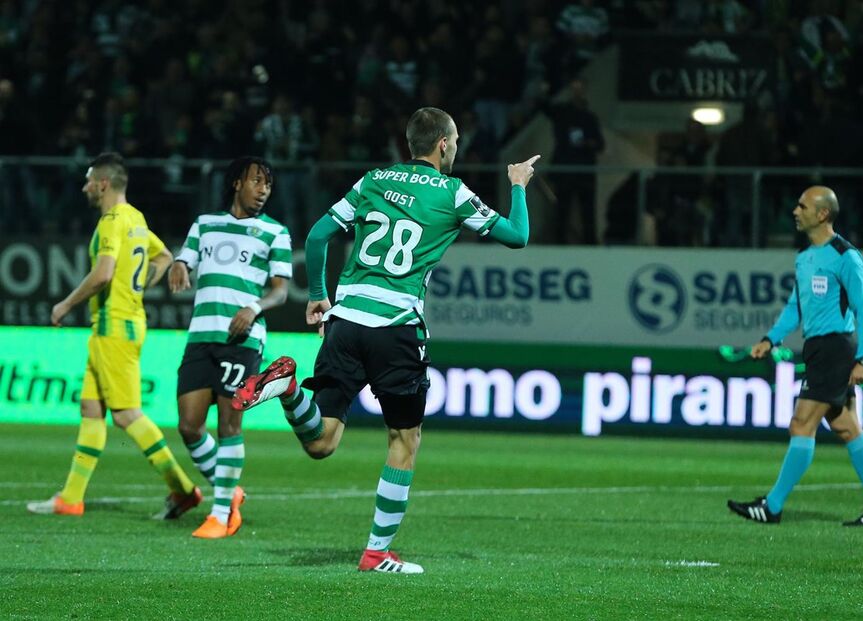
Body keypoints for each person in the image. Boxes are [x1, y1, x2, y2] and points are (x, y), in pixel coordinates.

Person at [232, 107, 539, 573]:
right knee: (404, 439)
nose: (456, 148)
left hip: (345, 320)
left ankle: (290, 390)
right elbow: (517, 236)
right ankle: (376, 552)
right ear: (443, 144)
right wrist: (517, 184)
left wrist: (316, 295)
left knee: (322, 442)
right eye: (455, 142)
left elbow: (317, 236)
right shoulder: (453, 192)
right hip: (396, 326)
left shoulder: (373, 180)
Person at [27, 152, 201, 518]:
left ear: (103, 184)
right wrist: (137, 288)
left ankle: (183, 489)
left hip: (113, 326)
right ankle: (71, 498)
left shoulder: (110, 222)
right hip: (124, 323)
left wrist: (65, 305)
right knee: (91, 408)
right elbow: (163, 257)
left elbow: (104, 273)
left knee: (125, 415)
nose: (85, 187)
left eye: (89, 181)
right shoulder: (135, 218)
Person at [727, 186, 863, 527]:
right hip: (818, 349)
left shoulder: (845, 256)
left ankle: (772, 506)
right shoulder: (804, 257)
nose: (795, 211)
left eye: (802, 206)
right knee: (847, 427)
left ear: (822, 214)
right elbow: (796, 307)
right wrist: (770, 339)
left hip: (836, 348)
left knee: (801, 424)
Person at [168, 156, 292, 538]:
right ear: (237, 182)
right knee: (189, 426)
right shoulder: (205, 224)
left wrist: (254, 308)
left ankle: (221, 515)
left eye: (268, 185)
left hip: (242, 340)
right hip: (201, 335)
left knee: (228, 425)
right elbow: (184, 260)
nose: (263, 190)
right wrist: (178, 265)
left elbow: (280, 292)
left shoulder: (275, 232)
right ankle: (230, 491)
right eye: (257, 181)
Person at [543, 78, 604, 244]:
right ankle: (560, 242)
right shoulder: (563, 113)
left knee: (587, 210)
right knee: (562, 208)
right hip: (565, 169)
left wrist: (588, 143)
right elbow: (545, 108)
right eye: (574, 88)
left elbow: (600, 144)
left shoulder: (590, 118)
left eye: (580, 89)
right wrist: (545, 91)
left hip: (584, 171)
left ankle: (589, 242)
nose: (577, 92)